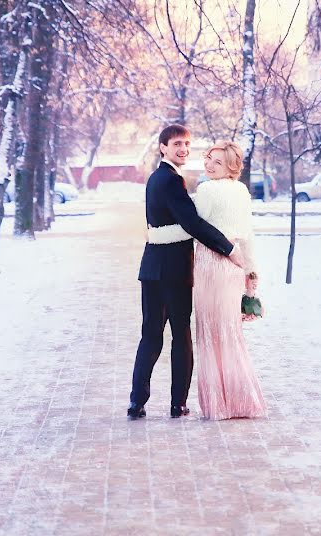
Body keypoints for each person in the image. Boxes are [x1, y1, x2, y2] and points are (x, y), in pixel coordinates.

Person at [127, 125, 245, 420]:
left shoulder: (157, 178)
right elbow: (192, 223)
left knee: (151, 336)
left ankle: (137, 402)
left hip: (152, 267)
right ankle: (177, 404)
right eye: (177, 143)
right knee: (181, 336)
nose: (183, 149)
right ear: (163, 148)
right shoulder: (171, 180)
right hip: (174, 270)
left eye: (187, 144)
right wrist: (228, 249)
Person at [192, 141, 267, 420]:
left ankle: (219, 404)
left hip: (211, 264)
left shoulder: (207, 190)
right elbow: (248, 235)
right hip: (235, 269)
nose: (210, 165)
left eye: (218, 162)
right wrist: (251, 275)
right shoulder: (242, 191)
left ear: (231, 167)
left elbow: (193, 225)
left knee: (210, 334)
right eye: (209, 158)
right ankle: (243, 399)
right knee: (230, 333)